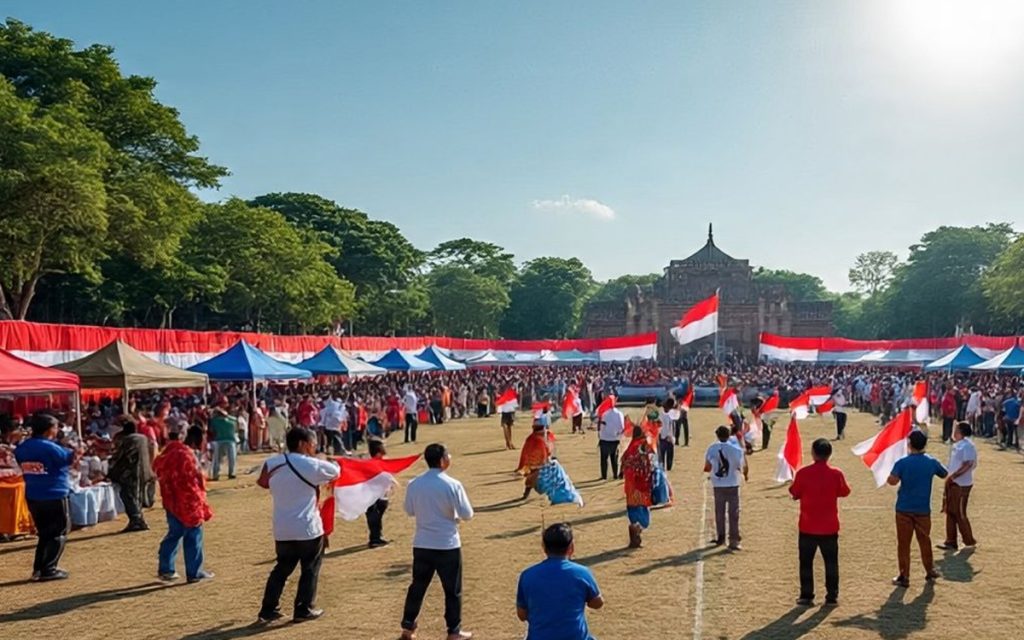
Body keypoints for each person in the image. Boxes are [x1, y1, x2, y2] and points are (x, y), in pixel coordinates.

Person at [256, 427, 340, 624]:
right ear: (303, 444)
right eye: (312, 445)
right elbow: (335, 471)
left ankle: (268, 609)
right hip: (307, 527)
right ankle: (304, 608)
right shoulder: (311, 464)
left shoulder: (272, 463)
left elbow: (263, 482)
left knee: (281, 569)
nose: (314, 448)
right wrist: (322, 458)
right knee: (310, 568)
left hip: (282, 527)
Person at [400, 443, 474, 640]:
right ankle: (453, 630)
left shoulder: (414, 484)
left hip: (422, 543)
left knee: (417, 586)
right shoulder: (452, 484)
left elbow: (409, 510)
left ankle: (408, 627)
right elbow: (467, 514)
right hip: (447, 543)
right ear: (442, 461)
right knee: (452, 590)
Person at [14, 412, 78, 581]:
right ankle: (49, 568)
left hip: (34, 494)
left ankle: (39, 569)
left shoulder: (22, 447)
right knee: (59, 531)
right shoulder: (51, 447)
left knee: (44, 533)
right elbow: (68, 458)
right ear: (49, 429)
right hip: (54, 493)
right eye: (56, 427)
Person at [789, 438, 851, 607]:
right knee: (831, 562)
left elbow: (794, 493)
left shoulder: (803, 473)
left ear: (813, 453)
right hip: (829, 526)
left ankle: (807, 595)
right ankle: (832, 595)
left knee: (806, 562)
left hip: (808, 525)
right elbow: (845, 491)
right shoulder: (836, 473)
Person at [515, 523, 604, 640]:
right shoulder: (582, 573)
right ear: (571, 547)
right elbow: (597, 603)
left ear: (544, 547)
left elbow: (522, 614)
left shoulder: (528, 575)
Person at [153, 422, 214, 583]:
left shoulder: (171, 451)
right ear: (196, 440)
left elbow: (157, 466)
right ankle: (194, 572)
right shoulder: (187, 455)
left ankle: (166, 568)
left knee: (174, 533)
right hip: (188, 502)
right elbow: (194, 480)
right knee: (193, 535)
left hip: (171, 500)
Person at [887, 430, 948, 587]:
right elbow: (944, 473)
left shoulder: (902, 463)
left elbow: (892, 481)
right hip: (922, 509)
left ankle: (904, 575)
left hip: (904, 508)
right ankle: (930, 570)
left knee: (904, 544)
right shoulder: (931, 462)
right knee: (925, 541)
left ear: (909, 444)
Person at [704, 425, 747, 550]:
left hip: (718, 484)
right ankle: (734, 539)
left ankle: (721, 536)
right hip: (733, 483)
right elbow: (741, 467)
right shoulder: (736, 450)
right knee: (734, 513)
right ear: (729, 436)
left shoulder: (711, 448)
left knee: (719, 512)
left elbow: (707, 467)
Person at [108, 419, 155, 532]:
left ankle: (136, 520)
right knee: (138, 496)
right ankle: (139, 520)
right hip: (145, 470)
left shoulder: (128, 440)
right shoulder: (144, 438)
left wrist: (111, 467)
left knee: (128, 495)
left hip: (131, 473)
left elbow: (119, 456)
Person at [938, 422, 978, 551]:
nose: (953, 432)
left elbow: (968, 464)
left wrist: (954, 476)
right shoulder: (958, 445)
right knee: (950, 511)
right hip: (953, 482)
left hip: (961, 484)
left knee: (959, 513)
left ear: (960, 432)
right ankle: (951, 541)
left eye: (956, 430)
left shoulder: (967, 446)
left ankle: (969, 540)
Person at [621, 425, 653, 548]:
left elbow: (623, 464)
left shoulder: (629, 448)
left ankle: (634, 536)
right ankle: (637, 532)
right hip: (640, 485)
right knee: (643, 513)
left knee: (633, 510)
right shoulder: (642, 446)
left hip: (630, 485)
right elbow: (648, 462)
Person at [366, 436, 393, 548]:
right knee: (374, 517)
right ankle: (375, 538)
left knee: (376, 517)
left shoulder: (373, 463)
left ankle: (377, 536)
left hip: (379, 495)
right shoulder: (373, 464)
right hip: (374, 496)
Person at [517, 421, 555, 500]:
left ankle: (526, 494)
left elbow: (526, 451)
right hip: (540, 463)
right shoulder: (543, 437)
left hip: (535, 463)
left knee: (531, 479)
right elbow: (548, 450)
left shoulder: (533, 438)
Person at [209, 400, 238, 480]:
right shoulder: (228, 420)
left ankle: (218, 474)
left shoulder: (216, 421)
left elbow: (212, 429)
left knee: (221, 458)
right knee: (225, 458)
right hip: (224, 440)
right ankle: (228, 473)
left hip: (225, 440)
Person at [597, 404, 625, 480]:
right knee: (614, 458)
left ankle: (604, 476)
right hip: (615, 439)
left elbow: (599, 425)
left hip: (604, 439)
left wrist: (600, 433)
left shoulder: (603, 413)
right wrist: (618, 434)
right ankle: (615, 475)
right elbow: (622, 427)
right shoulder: (619, 413)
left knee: (604, 459)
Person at [657, 398, 676, 471]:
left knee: (664, 455)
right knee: (667, 454)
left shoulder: (662, 414)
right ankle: (666, 466)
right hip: (667, 437)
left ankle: (665, 466)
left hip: (664, 437)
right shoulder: (669, 415)